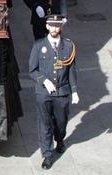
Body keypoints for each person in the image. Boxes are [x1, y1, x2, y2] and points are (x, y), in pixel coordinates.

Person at [28, 15, 78, 170]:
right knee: (45, 123)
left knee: (61, 122)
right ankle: (47, 155)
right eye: (52, 25)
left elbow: (71, 70)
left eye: (58, 26)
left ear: (61, 27)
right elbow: (32, 70)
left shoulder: (68, 46)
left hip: (62, 91)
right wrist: (45, 81)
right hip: (44, 93)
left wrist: (74, 91)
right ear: (47, 27)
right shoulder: (39, 46)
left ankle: (60, 139)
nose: (55, 28)